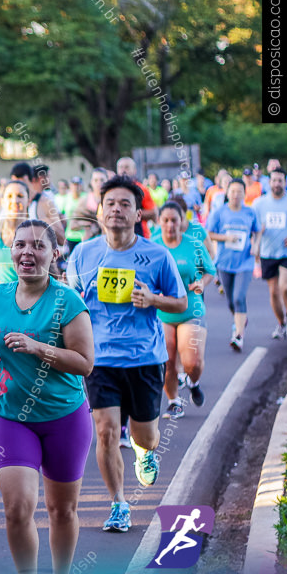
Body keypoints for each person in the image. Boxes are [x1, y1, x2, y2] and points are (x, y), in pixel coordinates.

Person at [0, 219, 94, 574]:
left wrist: (38, 347)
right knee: (17, 508)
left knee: (61, 510)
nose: (27, 252)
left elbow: (84, 363)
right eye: (20, 245)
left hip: (64, 417)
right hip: (12, 418)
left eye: (38, 246)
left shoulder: (68, 302)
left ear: (54, 254)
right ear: (11, 252)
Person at [66, 175, 186, 533]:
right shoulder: (83, 254)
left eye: (125, 205)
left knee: (145, 435)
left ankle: (145, 452)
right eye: (110, 204)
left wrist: (153, 300)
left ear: (138, 215)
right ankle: (119, 503)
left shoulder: (156, 255)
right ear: (100, 212)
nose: (116, 210)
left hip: (145, 358)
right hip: (99, 359)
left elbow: (180, 302)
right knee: (104, 433)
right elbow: (70, 302)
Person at [153, 202, 215, 418]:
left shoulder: (194, 244)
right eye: (166, 220)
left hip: (191, 309)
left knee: (192, 363)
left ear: (182, 222)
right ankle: (173, 401)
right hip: (163, 312)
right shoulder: (153, 246)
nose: (170, 225)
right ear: (159, 222)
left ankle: (193, 381)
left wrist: (201, 283)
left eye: (174, 220)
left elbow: (209, 271)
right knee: (168, 361)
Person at [206, 179, 260, 351]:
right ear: (227, 193)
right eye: (233, 191)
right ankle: (240, 318)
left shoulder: (250, 212)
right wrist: (226, 238)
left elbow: (257, 231)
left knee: (239, 297)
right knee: (231, 301)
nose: (236, 195)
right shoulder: (219, 213)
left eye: (239, 192)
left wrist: (256, 244)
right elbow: (209, 234)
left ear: (245, 193)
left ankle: (238, 335)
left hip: (245, 262)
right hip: (224, 262)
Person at [249, 167, 287, 339]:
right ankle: (281, 323)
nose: (277, 184)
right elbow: (253, 228)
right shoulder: (259, 204)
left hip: (286, 252)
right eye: (274, 180)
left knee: (285, 287)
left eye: (280, 180)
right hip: (267, 252)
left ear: (285, 182)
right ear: (269, 182)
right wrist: (256, 244)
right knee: (273, 293)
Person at [10, 162, 64, 244]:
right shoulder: (11, 205)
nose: (17, 186)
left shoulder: (45, 202)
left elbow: (62, 239)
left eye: (19, 182)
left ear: (28, 179)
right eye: (14, 183)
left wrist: (46, 224)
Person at [115, 157, 157, 236]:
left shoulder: (142, 189)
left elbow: (153, 213)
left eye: (127, 167)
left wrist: (130, 213)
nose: (123, 170)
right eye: (120, 167)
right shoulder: (112, 190)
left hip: (140, 234)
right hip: (118, 235)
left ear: (134, 170)